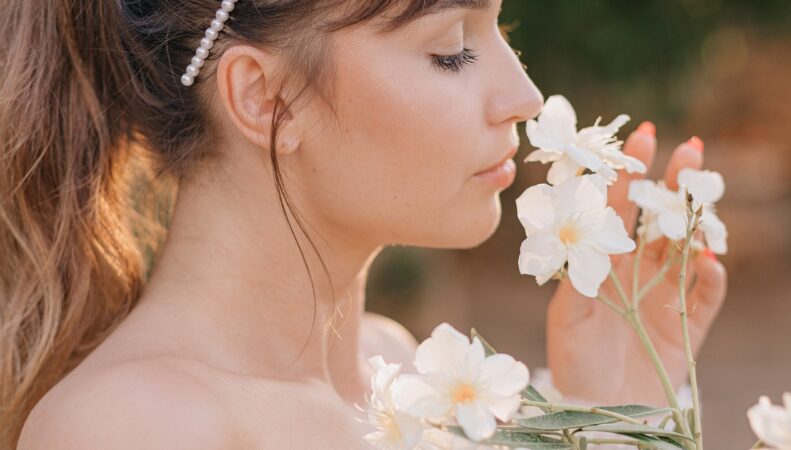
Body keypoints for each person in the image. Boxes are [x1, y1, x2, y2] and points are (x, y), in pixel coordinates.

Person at [1, 0, 727, 448]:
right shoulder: (134, 430)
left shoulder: (411, 374)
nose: (526, 96)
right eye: (453, 49)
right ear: (265, 99)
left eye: (499, 27)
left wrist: (614, 411)